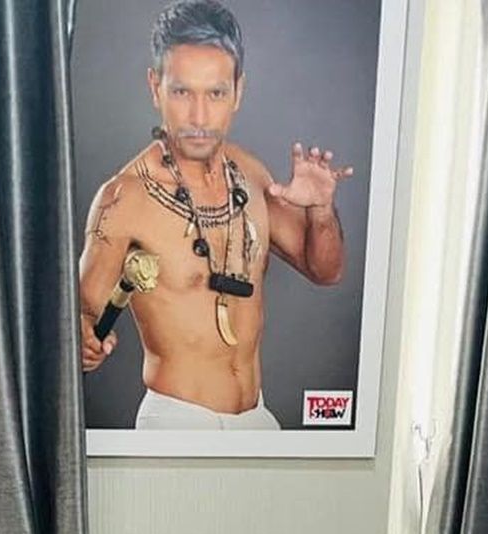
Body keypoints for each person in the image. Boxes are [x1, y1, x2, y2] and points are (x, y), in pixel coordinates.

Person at [79, 0, 353, 430]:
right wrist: (83, 338)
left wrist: (320, 210)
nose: (199, 116)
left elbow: (326, 270)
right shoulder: (123, 198)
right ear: (155, 87)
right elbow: (82, 315)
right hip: (176, 421)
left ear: (238, 91)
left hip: (257, 418)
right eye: (182, 92)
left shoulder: (251, 174)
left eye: (216, 93)